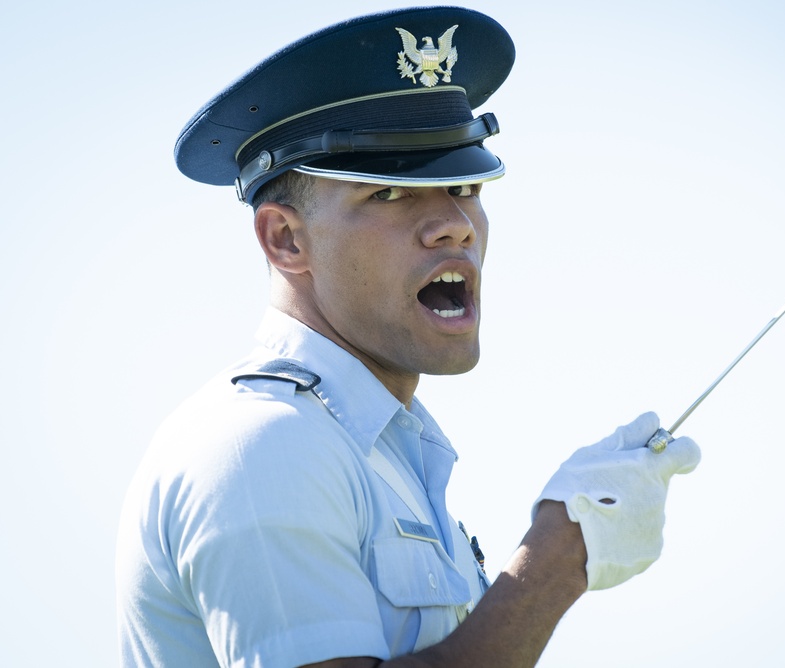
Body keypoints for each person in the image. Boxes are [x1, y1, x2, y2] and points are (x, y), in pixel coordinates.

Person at [115, 7, 701, 667]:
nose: (455, 225)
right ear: (286, 238)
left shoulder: (371, 446)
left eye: (464, 185)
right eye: (390, 194)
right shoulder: (266, 443)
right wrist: (555, 563)